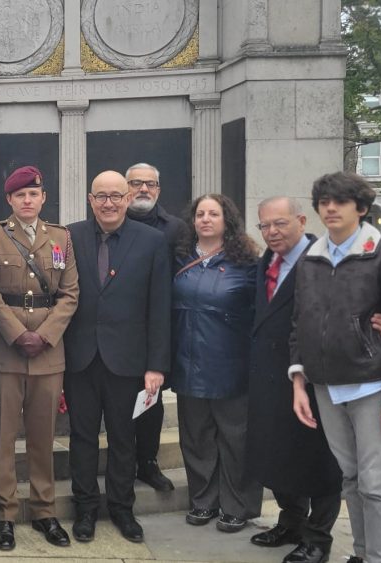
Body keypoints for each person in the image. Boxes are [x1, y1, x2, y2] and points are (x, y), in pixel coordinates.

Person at [246, 196, 381, 563]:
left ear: (300, 220)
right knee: (276, 453)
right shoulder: (265, 262)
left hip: (315, 377)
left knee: (320, 461)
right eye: (265, 226)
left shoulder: (323, 259)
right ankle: (290, 520)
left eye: (280, 223)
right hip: (269, 375)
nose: (272, 232)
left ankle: (318, 538)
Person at [290, 172, 381, 563]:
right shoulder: (311, 259)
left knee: (376, 484)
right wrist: (299, 381)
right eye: (324, 201)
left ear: (360, 208)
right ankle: (362, 554)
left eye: (340, 201)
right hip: (326, 388)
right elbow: (300, 323)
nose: (330, 208)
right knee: (351, 478)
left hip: (372, 386)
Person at [63, 170, 169, 544]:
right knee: (82, 438)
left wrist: (156, 365)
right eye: (100, 196)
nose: (108, 203)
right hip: (80, 360)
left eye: (115, 196)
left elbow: (159, 308)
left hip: (129, 362)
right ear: (90, 200)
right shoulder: (69, 237)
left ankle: (123, 509)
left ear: (126, 198)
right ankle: (86, 509)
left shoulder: (153, 241)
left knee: (125, 439)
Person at [0, 166, 79, 551]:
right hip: (7, 349)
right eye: (20, 195)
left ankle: (44, 511)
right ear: (9, 200)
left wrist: (45, 335)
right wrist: (18, 334)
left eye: (33, 194)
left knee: (42, 437)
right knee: (4, 437)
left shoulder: (61, 237)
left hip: (48, 353)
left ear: (43, 197)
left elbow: (70, 294)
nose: (27, 201)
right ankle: (4, 513)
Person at [170, 194, 263, 534]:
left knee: (235, 440)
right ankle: (203, 501)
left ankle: (237, 505)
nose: (206, 219)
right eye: (200, 214)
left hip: (231, 366)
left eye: (214, 214)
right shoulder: (180, 259)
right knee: (196, 439)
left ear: (228, 220)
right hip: (187, 364)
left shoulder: (247, 263)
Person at [124, 162, 188, 492]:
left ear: (159, 190)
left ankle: (147, 462)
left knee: (151, 400)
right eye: (136, 183)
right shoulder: (108, 223)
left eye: (149, 184)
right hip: (119, 331)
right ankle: (122, 462)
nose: (143, 189)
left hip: (157, 328)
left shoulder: (176, 229)